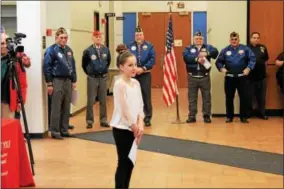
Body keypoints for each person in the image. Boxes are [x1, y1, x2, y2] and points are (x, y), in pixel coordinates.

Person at [109, 51, 144, 189]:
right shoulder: (119, 84)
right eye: (130, 65)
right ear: (121, 67)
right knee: (123, 162)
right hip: (122, 128)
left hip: (135, 127)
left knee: (131, 162)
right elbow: (124, 109)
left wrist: (140, 124)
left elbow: (140, 105)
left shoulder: (136, 83)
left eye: (135, 65)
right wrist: (133, 126)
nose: (134, 68)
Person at [43, 27, 77, 139]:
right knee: (56, 106)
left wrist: (74, 80)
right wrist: (49, 83)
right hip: (56, 80)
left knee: (66, 105)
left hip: (68, 80)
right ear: (56, 38)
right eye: (61, 38)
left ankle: (64, 129)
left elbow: (73, 65)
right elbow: (47, 67)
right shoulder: (51, 50)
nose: (64, 40)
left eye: (65, 38)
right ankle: (55, 130)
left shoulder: (68, 50)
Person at [215, 32, 256, 123]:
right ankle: (229, 116)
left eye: (235, 39)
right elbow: (218, 62)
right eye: (232, 39)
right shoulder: (225, 50)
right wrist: (221, 68)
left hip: (242, 77)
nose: (234, 41)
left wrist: (248, 68)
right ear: (229, 40)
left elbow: (252, 59)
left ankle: (243, 117)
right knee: (229, 97)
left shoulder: (245, 49)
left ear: (239, 39)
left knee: (243, 97)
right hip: (230, 78)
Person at [183, 31, 219, 123]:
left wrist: (206, 53)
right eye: (196, 39)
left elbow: (215, 52)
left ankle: (206, 115)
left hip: (204, 77)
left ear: (203, 40)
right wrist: (197, 59)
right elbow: (186, 58)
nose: (198, 40)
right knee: (192, 98)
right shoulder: (188, 48)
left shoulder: (208, 47)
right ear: (193, 40)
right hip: (192, 77)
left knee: (206, 97)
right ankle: (192, 115)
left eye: (200, 39)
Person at [127, 25, 155, 127]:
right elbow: (126, 58)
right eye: (137, 35)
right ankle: (133, 117)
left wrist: (143, 68)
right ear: (135, 36)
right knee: (132, 96)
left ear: (143, 35)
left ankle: (147, 117)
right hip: (132, 75)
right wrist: (134, 69)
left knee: (146, 96)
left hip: (145, 74)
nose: (139, 36)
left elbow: (152, 59)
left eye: (140, 34)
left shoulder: (149, 46)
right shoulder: (129, 46)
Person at [82, 30, 111, 129]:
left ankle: (103, 120)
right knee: (91, 100)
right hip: (92, 78)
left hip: (102, 77)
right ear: (93, 38)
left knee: (103, 100)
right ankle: (89, 121)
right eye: (96, 37)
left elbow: (108, 62)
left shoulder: (106, 50)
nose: (98, 39)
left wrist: (104, 70)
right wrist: (89, 73)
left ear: (101, 38)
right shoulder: (88, 51)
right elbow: (84, 64)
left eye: (99, 37)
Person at [1, 27, 31, 118]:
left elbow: (22, 83)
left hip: (7, 99)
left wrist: (20, 101)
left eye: (6, 43)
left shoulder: (16, 57)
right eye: (2, 43)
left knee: (8, 126)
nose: (4, 46)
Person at [247, 32, 269, 120]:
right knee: (249, 96)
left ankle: (262, 113)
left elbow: (266, 60)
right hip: (250, 77)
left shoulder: (263, 48)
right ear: (250, 39)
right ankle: (248, 113)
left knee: (262, 96)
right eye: (254, 37)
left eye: (257, 38)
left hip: (262, 77)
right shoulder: (246, 48)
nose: (256, 39)